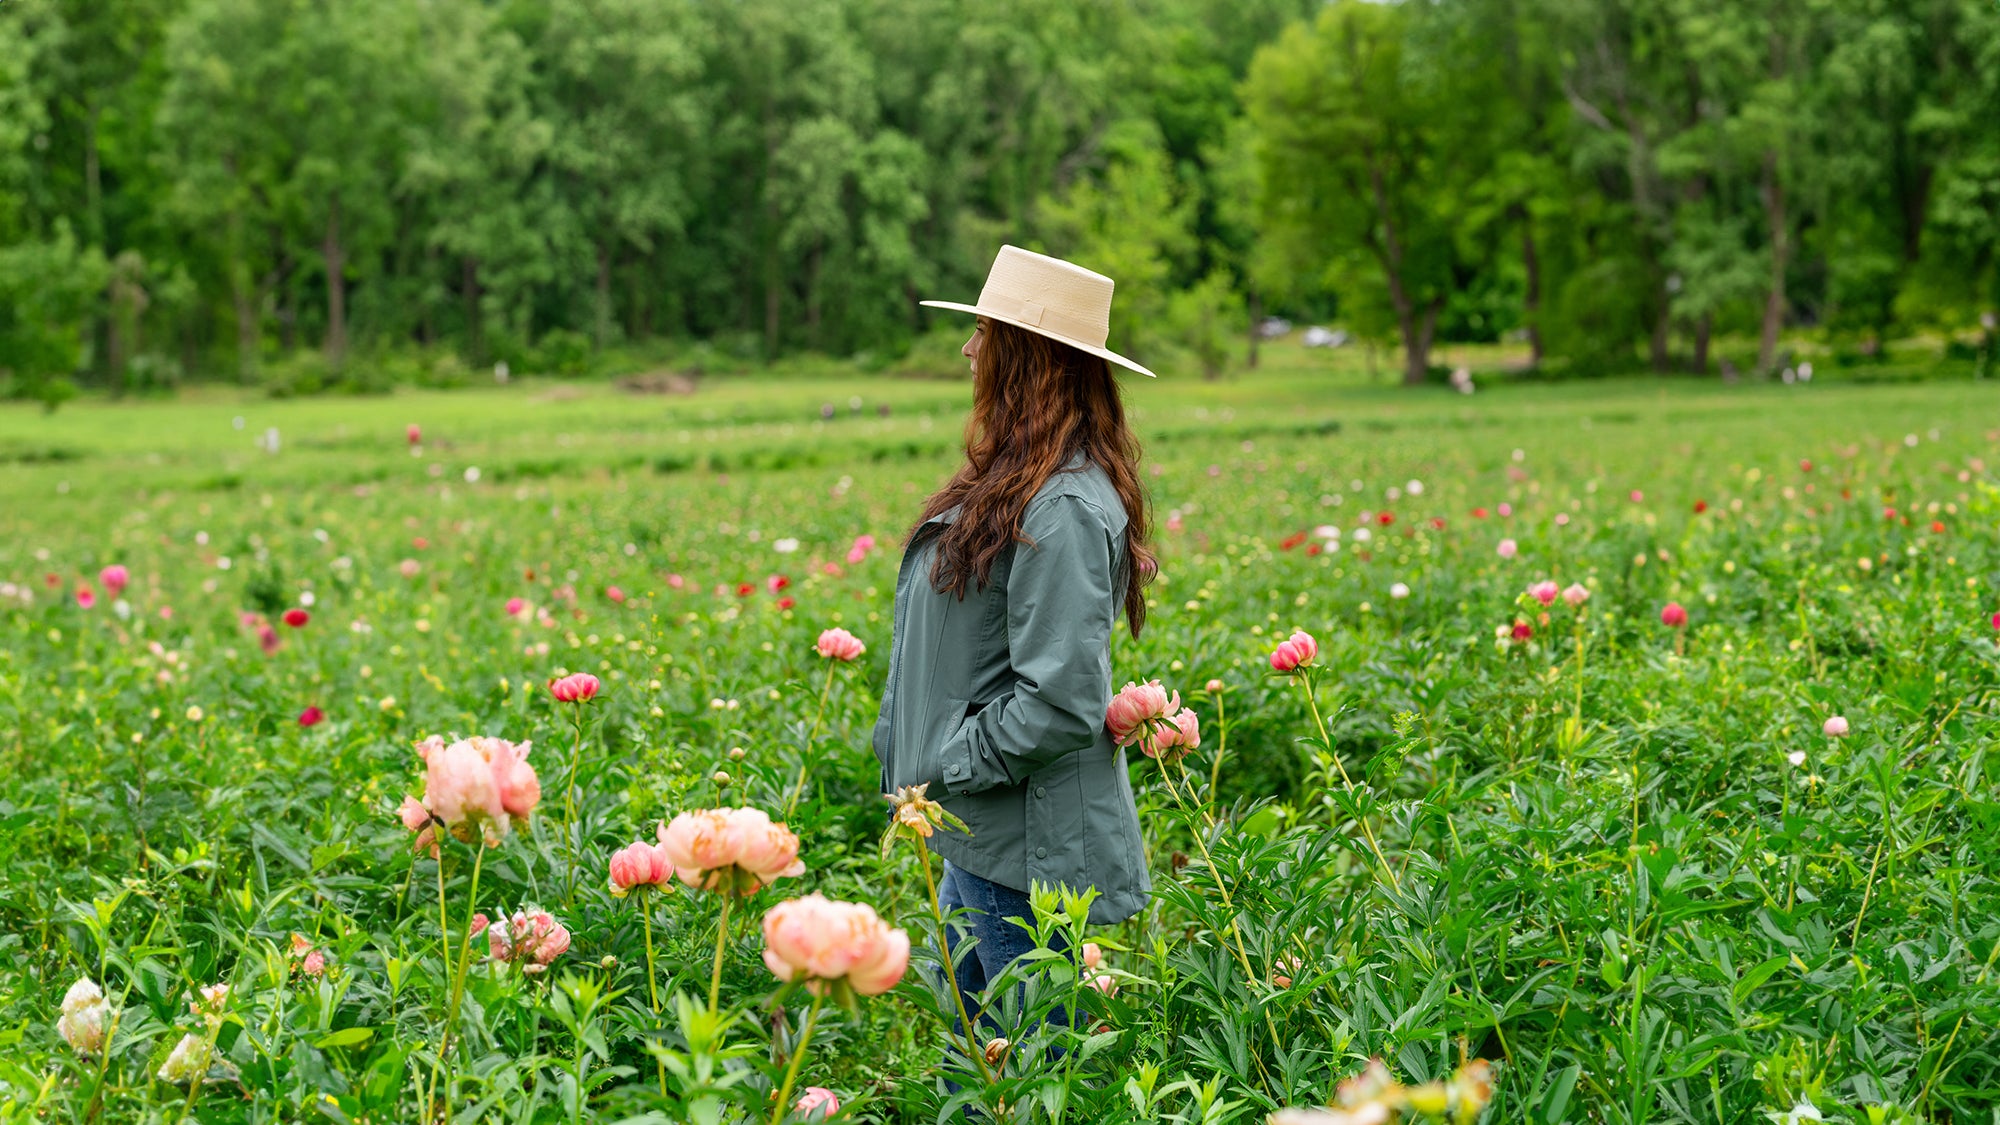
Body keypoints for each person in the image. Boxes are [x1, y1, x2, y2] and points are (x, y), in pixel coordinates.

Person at [872, 244, 1157, 1059]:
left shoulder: (1063, 502)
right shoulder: (1019, 477)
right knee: (982, 1069)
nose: (968, 349)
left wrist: (945, 760)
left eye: (983, 332)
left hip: (1021, 850)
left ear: (1026, 354)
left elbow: (1061, 699)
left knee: (1029, 1079)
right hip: (981, 831)